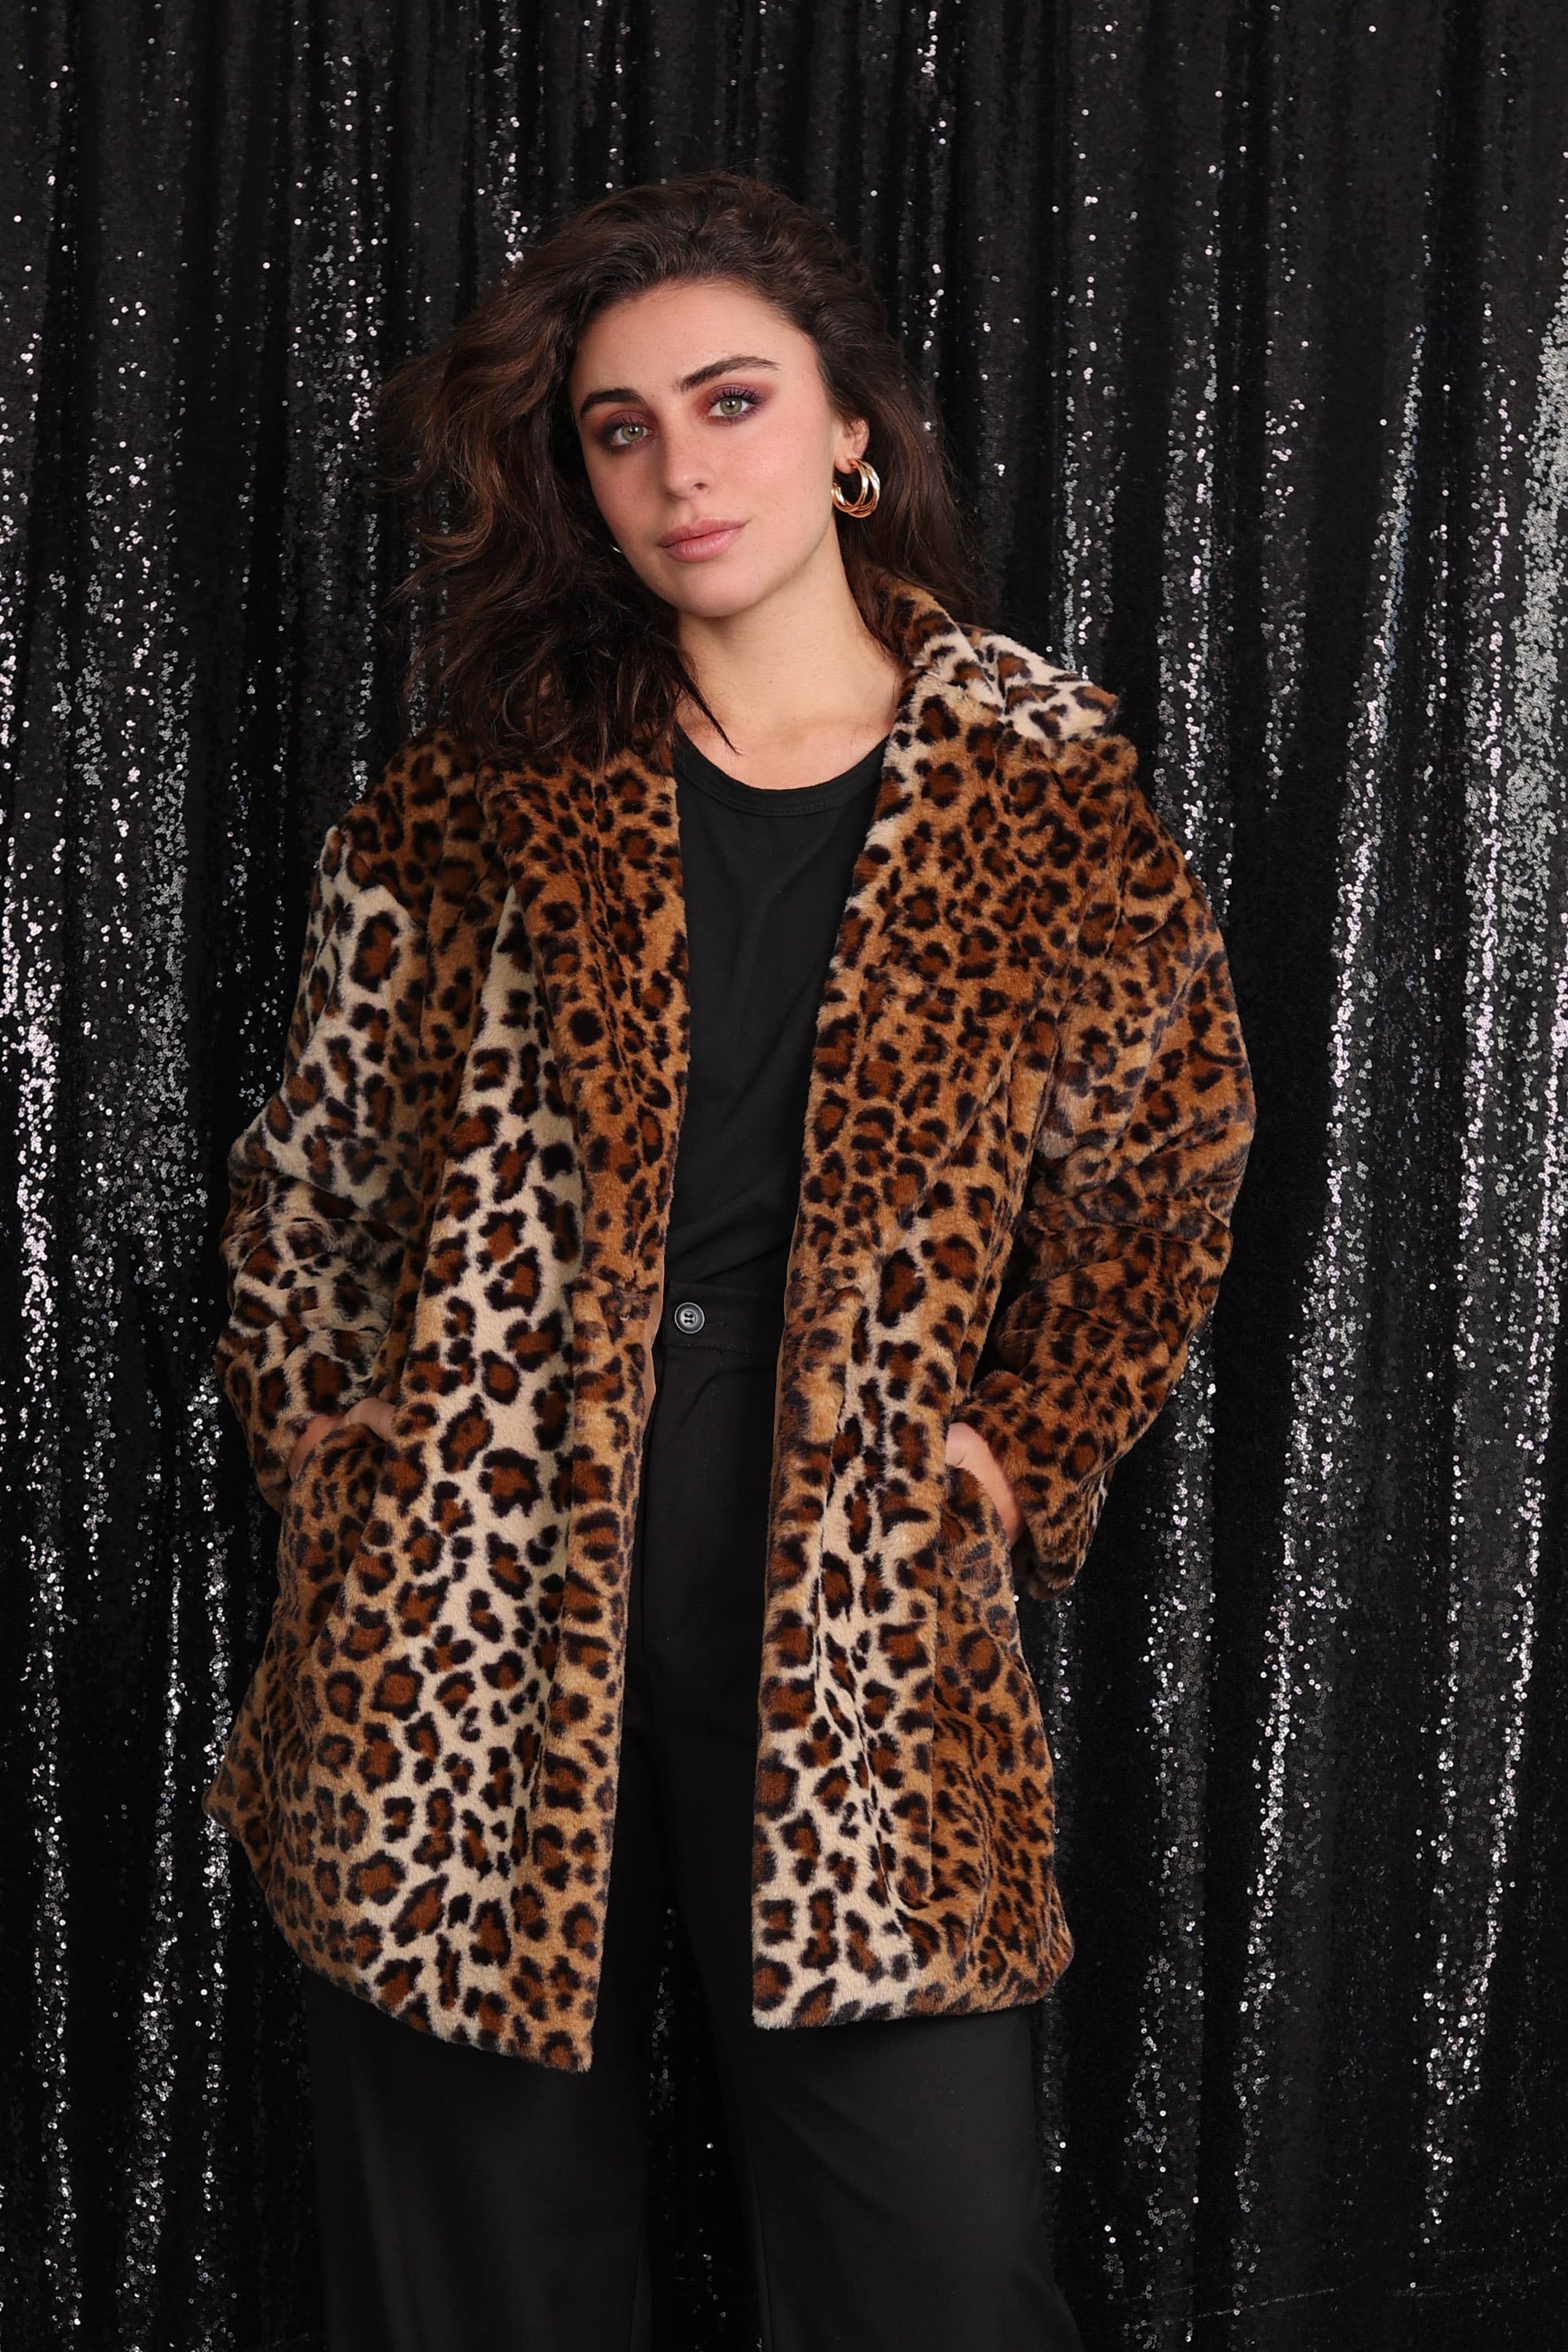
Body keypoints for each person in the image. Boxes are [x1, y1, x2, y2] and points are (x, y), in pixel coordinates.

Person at [204, 168, 1255, 2351]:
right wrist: (347, 1460)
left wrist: (1015, 1447)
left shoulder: (1045, 802)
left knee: (933, 2274)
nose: (682, 467)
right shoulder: (474, 801)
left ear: (850, 428)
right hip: (474, 1604)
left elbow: (1164, 1172)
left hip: (855, 1591)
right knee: (476, 2288)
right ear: (582, 487)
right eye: (621, 430)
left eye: (732, 400)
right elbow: (311, 1187)